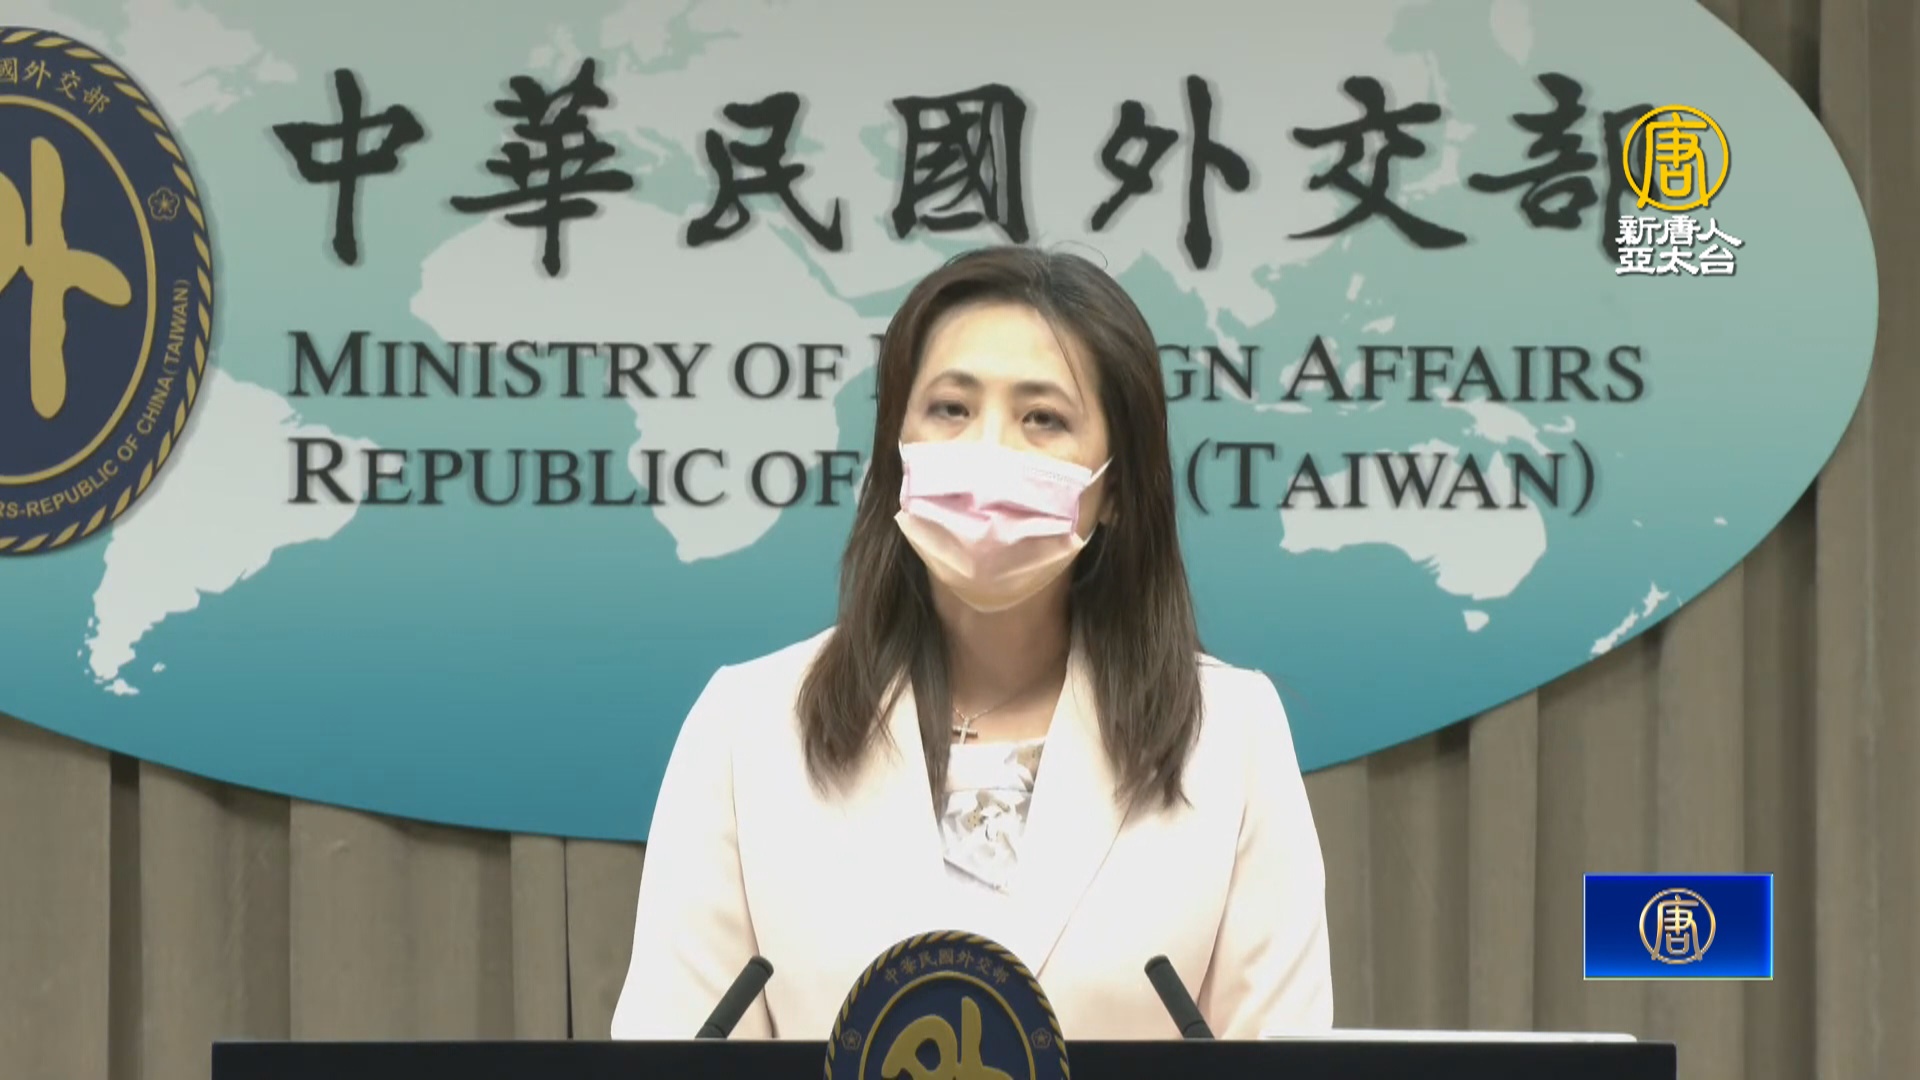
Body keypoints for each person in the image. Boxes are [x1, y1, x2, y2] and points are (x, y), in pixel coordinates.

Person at [610, 245, 1333, 1041]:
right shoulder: (746, 727)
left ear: (1117, 488)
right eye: (951, 409)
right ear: (896, 451)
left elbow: (1282, 1051)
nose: (990, 451)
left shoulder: (1231, 733)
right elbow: (674, 1046)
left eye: (1043, 419)